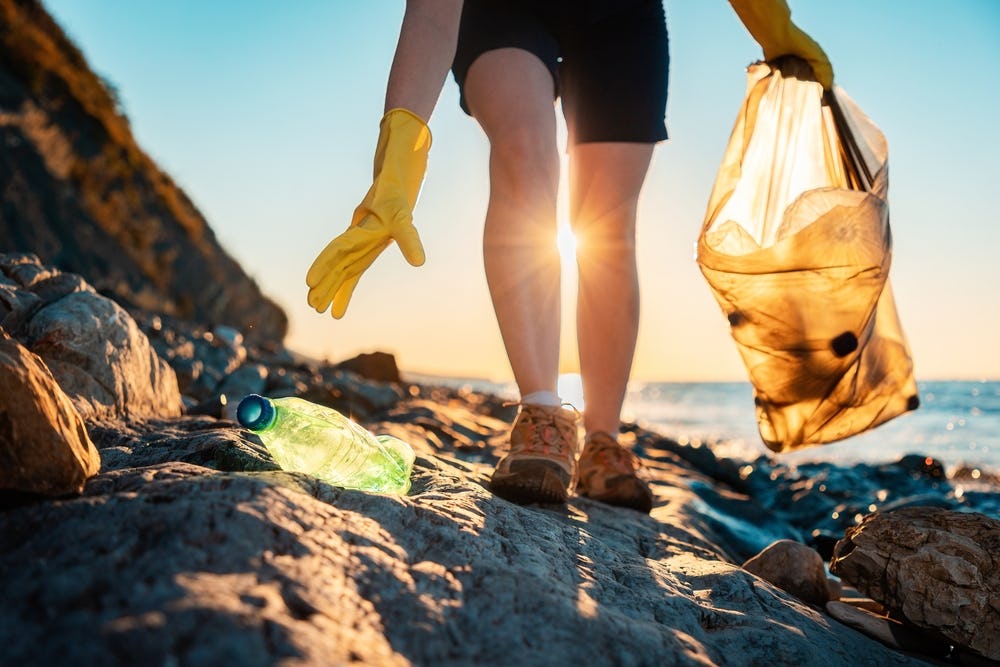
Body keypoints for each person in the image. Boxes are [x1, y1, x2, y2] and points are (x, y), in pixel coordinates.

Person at [306, 0, 832, 513]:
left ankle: (603, 437)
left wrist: (774, 27)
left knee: (607, 224)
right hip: (502, 10)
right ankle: (541, 411)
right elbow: (432, 10)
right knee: (524, 155)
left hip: (621, 15)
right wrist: (396, 166)